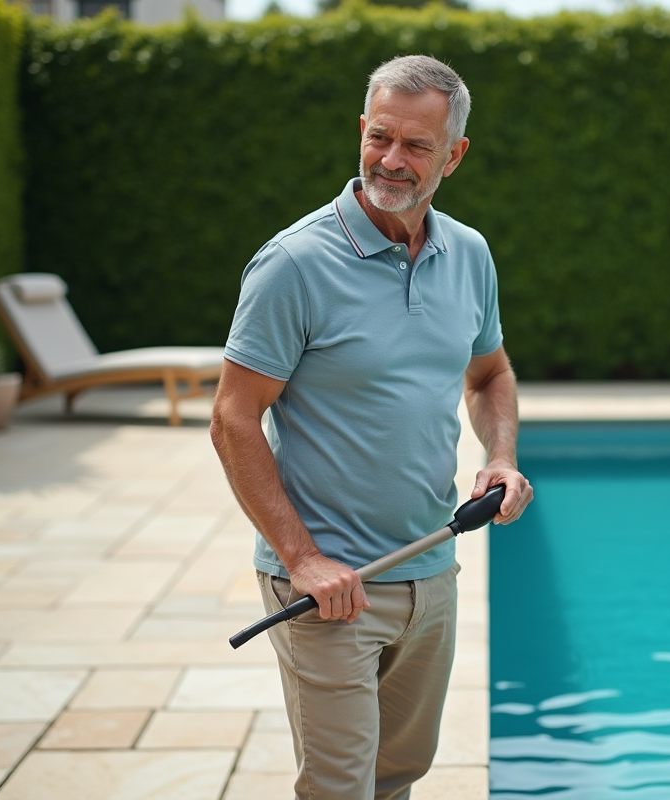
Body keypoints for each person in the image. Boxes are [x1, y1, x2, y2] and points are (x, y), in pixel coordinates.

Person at [210, 55, 534, 800]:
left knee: (397, 778)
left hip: (431, 572)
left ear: (454, 155)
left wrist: (500, 457)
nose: (391, 160)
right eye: (379, 137)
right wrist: (302, 558)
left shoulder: (470, 254)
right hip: (329, 585)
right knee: (340, 788)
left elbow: (490, 375)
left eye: (417, 146)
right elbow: (232, 418)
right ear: (362, 129)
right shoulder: (293, 263)